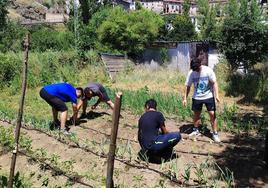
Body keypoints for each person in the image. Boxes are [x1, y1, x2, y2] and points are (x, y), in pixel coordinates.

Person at [183, 58, 221, 142]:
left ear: (200, 65)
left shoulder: (208, 70)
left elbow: (214, 83)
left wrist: (217, 95)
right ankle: (195, 130)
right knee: (196, 114)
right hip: (197, 97)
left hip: (208, 95)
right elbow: (187, 86)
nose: (196, 71)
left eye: (197, 69)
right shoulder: (191, 73)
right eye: (194, 69)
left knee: (212, 114)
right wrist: (185, 98)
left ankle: (215, 133)